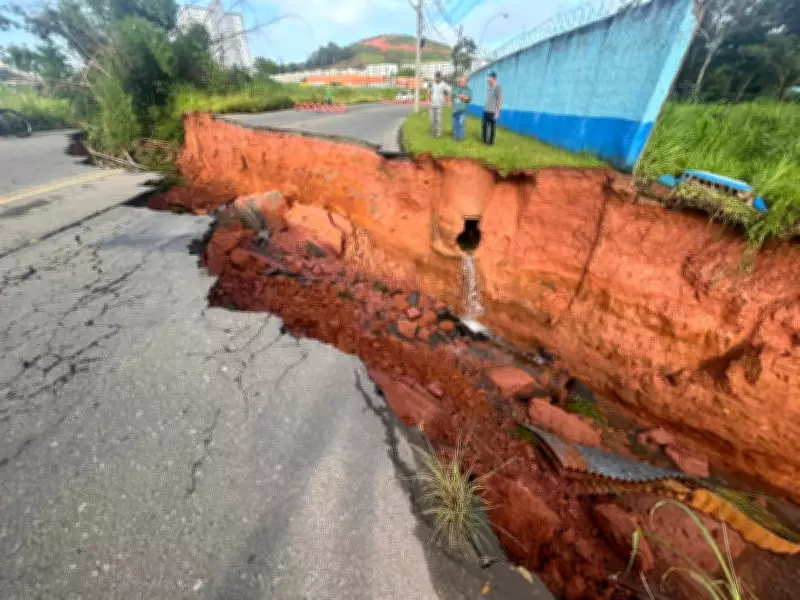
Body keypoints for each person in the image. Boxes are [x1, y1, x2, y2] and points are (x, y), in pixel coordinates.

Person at [426, 71, 450, 138]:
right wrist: (427, 100)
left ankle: (438, 134)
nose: (437, 78)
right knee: (431, 120)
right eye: (436, 76)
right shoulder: (431, 84)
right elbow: (428, 92)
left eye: (439, 76)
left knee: (439, 120)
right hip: (432, 105)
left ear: (441, 77)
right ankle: (432, 133)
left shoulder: (443, 84)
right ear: (435, 77)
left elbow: (447, 93)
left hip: (440, 105)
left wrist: (446, 100)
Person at [482, 71, 502, 145]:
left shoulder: (497, 86)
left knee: (492, 128)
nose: (487, 79)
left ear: (493, 78)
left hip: (492, 111)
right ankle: (484, 141)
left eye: (489, 77)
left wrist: (497, 112)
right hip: (486, 110)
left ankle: (490, 142)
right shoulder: (489, 87)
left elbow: (499, 99)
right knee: (484, 126)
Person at [451, 75, 472, 141]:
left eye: (464, 81)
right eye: (461, 81)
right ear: (459, 82)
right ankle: (455, 137)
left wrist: (460, 95)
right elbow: (452, 96)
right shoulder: (455, 89)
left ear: (466, 82)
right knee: (455, 124)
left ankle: (460, 138)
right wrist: (462, 96)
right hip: (455, 110)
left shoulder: (468, 90)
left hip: (463, 111)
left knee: (460, 124)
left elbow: (468, 99)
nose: (462, 82)